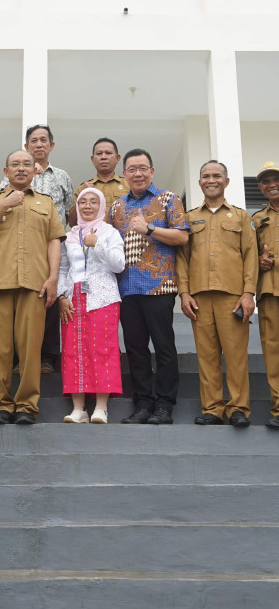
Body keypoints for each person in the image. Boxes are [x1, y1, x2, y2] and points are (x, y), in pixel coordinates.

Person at [0, 149, 65, 425]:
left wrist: (53, 278)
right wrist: (3, 206)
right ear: (6, 171)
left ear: (35, 170)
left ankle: (26, 405)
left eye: (27, 164)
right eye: (15, 164)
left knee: (30, 348)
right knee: (0, 349)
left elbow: (54, 242)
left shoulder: (46, 204)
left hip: (34, 283)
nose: (21, 168)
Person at [110, 149, 189, 425]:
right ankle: (143, 404)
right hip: (127, 289)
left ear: (152, 171)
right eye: (132, 169)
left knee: (164, 347)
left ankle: (165, 405)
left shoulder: (168, 199)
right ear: (124, 174)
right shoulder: (116, 207)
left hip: (159, 287)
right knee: (135, 349)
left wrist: (150, 229)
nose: (138, 174)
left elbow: (182, 236)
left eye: (143, 168)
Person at [176, 161, 257, 427]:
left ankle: (238, 409)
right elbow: (182, 258)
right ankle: (211, 408)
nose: (211, 180)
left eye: (217, 176)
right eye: (206, 176)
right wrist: (184, 292)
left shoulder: (241, 216)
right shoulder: (188, 218)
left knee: (235, 355)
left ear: (226, 181)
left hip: (232, 296)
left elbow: (250, 256)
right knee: (207, 355)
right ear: (199, 182)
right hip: (199, 297)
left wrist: (248, 293)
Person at [0, 124, 73, 373]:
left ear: (51, 145)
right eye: (34, 140)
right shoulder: (10, 176)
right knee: (19, 302)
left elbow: (68, 212)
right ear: (26, 145)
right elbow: (2, 202)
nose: (39, 144)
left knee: (50, 298)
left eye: (44, 140)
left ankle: (48, 357)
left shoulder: (62, 176)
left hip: (53, 245)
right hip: (19, 246)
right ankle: (19, 357)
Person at [58, 188, 125, 424]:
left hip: (103, 296)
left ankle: (100, 407)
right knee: (72, 350)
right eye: (83, 202)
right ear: (76, 207)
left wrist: (97, 245)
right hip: (72, 297)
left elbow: (119, 265)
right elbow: (62, 268)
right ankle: (79, 409)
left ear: (102, 206)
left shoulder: (110, 233)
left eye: (93, 202)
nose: (87, 206)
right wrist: (60, 296)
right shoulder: (68, 236)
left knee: (102, 349)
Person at [253, 161, 279, 429]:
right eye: (266, 181)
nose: (272, 185)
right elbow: (249, 254)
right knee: (273, 351)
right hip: (270, 291)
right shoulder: (257, 219)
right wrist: (258, 264)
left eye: (276, 179)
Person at [68, 137, 129, 227]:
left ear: (117, 158)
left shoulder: (128, 185)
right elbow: (72, 223)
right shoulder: (83, 188)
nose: (103, 157)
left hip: (122, 238)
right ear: (92, 159)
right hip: (91, 238)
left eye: (108, 153)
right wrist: (82, 195)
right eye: (99, 154)